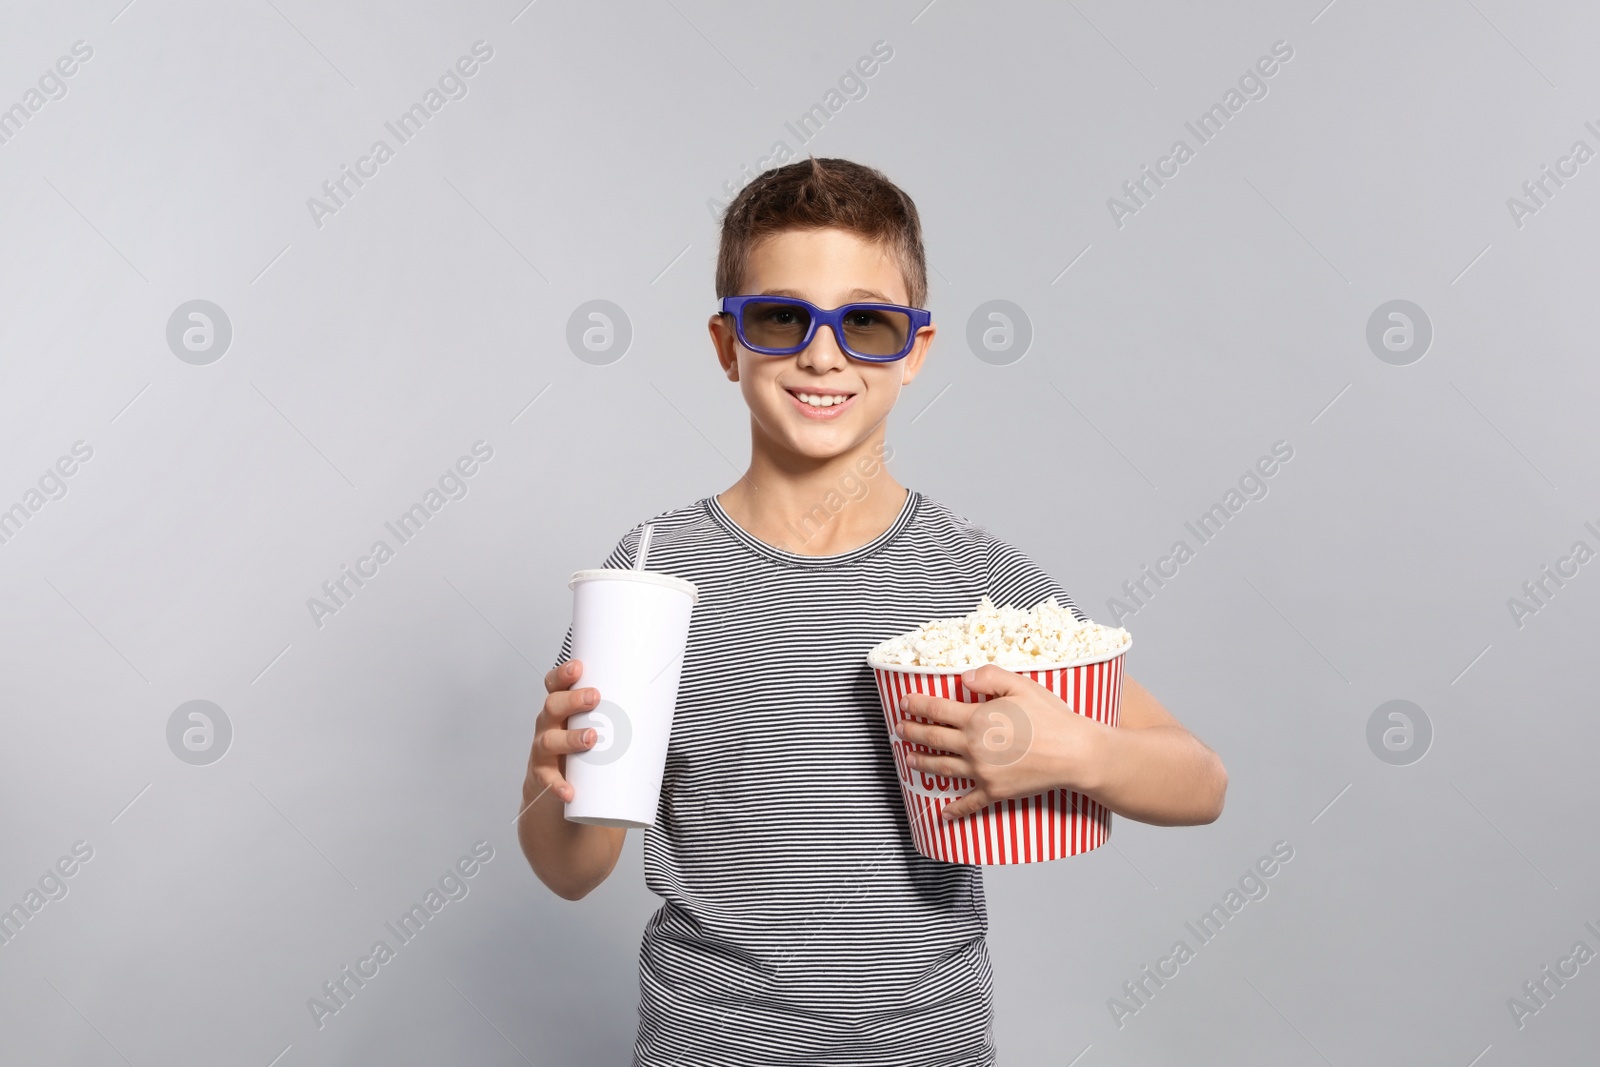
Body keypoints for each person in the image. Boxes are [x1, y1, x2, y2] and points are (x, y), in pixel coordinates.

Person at [517, 156, 1228, 1065]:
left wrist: (1073, 748)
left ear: (915, 351)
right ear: (728, 343)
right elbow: (571, 871)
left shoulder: (974, 577)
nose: (824, 354)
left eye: (867, 322)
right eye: (780, 317)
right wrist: (554, 778)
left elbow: (1199, 779)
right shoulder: (654, 573)